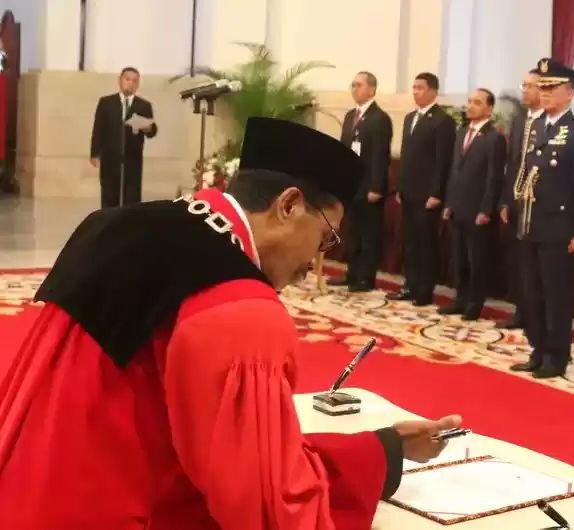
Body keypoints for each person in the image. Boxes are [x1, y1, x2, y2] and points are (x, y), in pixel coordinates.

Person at [0, 117, 461, 529]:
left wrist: (383, 450)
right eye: (325, 237)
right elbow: (265, 504)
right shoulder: (238, 306)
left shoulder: (113, 225)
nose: (314, 263)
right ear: (288, 206)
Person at [507, 58, 574, 379]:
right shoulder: (535, 128)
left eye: (552, 88)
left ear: (569, 93)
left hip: (558, 229)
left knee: (554, 296)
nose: (544, 93)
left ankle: (556, 356)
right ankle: (537, 349)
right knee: (532, 293)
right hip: (531, 224)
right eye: (542, 87)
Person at [389, 72, 457, 306]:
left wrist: (437, 193)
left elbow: (443, 161)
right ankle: (410, 285)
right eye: (414, 87)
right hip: (409, 191)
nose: (416, 92)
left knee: (426, 243)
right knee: (410, 242)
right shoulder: (410, 118)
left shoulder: (442, 121)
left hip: (427, 194)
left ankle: (424, 290)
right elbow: (406, 155)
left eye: (420, 88)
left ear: (433, 92)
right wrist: (400, 187)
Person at [440, 88, 507, 320]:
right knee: (459, 258)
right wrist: (449, 202)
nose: (470, 106)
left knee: (476, 259)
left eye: (477, 102)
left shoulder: (494, 138)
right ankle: (460, 299)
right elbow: (454, 170)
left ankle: (474, 303)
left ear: (489, 108)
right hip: (458, 205)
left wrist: (486, 209)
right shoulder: (461, 133)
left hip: (478, 209)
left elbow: (494, 177)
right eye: (469, 101)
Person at [330, 71, 394, 292]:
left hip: (368, 187)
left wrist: (376, 186)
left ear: (371, 89)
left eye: (359, 84)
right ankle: (352, 273)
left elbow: (380, 156)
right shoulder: (350, 116)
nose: (354, 88)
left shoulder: (380, 118)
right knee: (352, 233)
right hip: (351, 184)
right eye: (353, 84)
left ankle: (366, 278)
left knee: (368, 235)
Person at [496, 69, 544, 330]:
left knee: (534, 264)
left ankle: (535, 315)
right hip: (516, 202)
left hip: (538, 204)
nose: (525, 90)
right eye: (523, 85)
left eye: (530, 85)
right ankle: (520, 311)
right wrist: (505, 201)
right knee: (518, 261)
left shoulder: (549, 123)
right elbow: (512, 164)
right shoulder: (520, 121)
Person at [90, 66, 158, 208]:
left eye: (134, 81)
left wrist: (149, 128)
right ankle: (109, 219)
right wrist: (95, 153)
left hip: (133, 158)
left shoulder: (144, 106)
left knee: (132, 197)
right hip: (110, 157)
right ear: (120, 80)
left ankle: (129, 220)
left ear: (138, 84)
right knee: (109, 194)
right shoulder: (106, 102)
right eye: (127, 79)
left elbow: (152, 132)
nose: (130, 83)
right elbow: (98, 128)